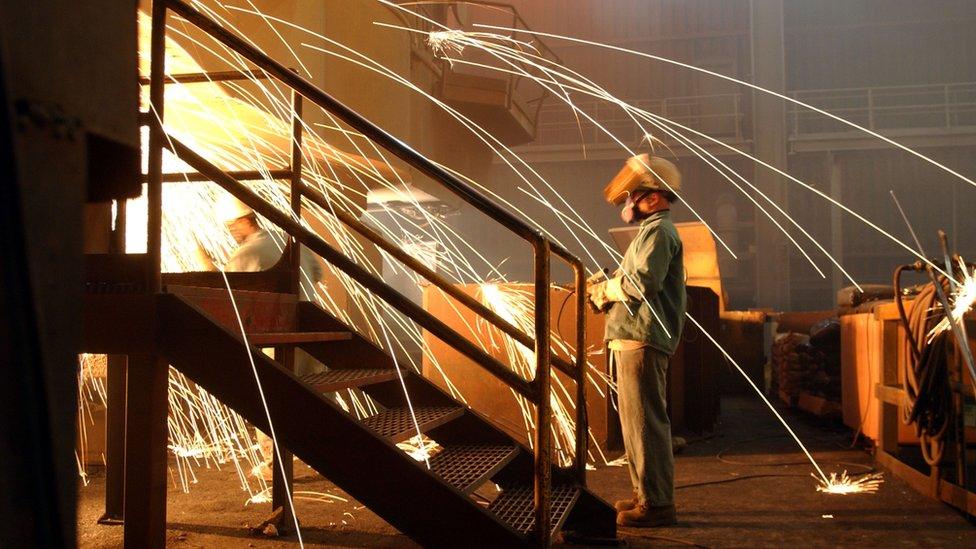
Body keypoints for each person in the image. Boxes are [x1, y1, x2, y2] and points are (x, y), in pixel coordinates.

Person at [587, 154, 686, 528]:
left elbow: (640, 283)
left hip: (643, 339)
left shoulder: (659, 232)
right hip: (632, 338)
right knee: (634, 424)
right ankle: (645, 494)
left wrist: (606, 290)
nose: (629, 205)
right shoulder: (649, 233)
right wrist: (608, 289)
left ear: (655, 198)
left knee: (646, 424)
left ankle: (658, 505)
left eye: (636, 197)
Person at [197, 193, 325, 481]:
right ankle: (310, 453)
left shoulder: (246, 253)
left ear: (244, 221)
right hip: (308, 327)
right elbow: (317, 273)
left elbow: (221, 289)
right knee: (303, 399)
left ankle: (274, 465)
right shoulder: (289, 240)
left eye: (232, 227)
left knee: (267, 398)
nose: (231, 233)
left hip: (276, 334)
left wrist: (201, 258)